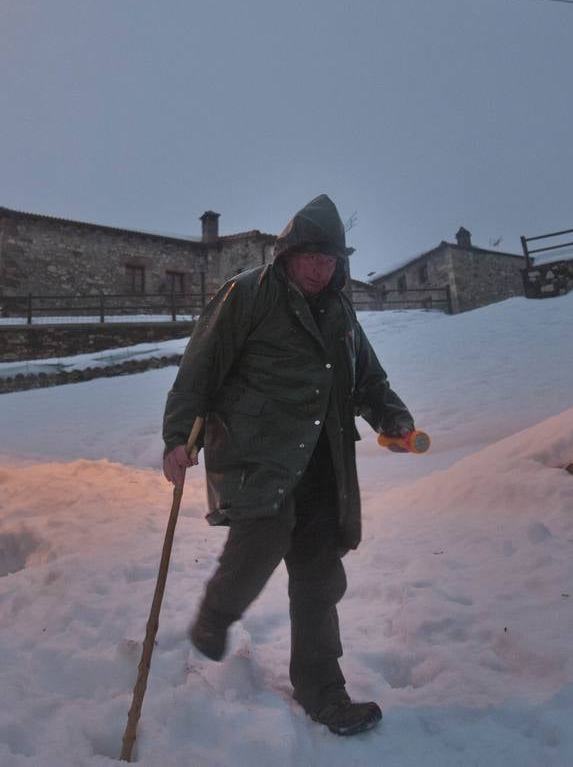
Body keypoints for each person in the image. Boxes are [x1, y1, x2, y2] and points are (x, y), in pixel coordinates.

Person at [162, 193, 415, 737]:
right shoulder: (247, 295)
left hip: (325, 462)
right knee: (260, 545)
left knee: (320, 579)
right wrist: (179, 438)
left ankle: (324, 692)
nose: (321, 270)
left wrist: (393, 420)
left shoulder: (341, 312)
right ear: (289, 254)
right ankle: (216, 614)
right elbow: (198, 368)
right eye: (312, 259)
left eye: (331, 261)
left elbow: (368, 378)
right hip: (259, 457)